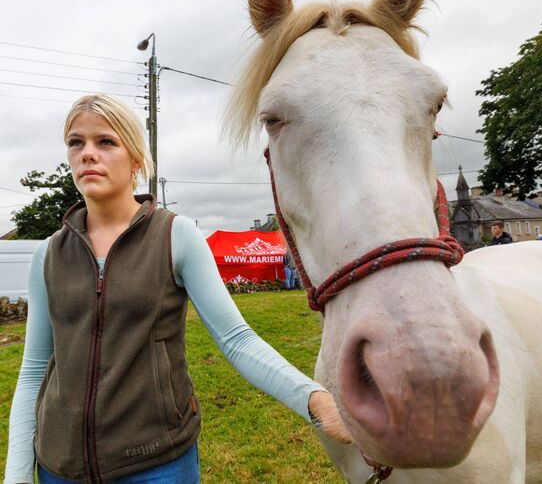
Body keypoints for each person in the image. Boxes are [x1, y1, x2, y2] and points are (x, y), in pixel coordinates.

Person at [5, 95, 350, 484]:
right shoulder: (48, 254)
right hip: (59, 467)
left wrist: (314, 399)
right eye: (75, 142)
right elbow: (34, 370)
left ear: (135, 158)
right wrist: (17, 474)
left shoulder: (175, 235)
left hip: (157, 464)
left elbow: (237, 340)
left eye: (105, 142)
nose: (87, 154)